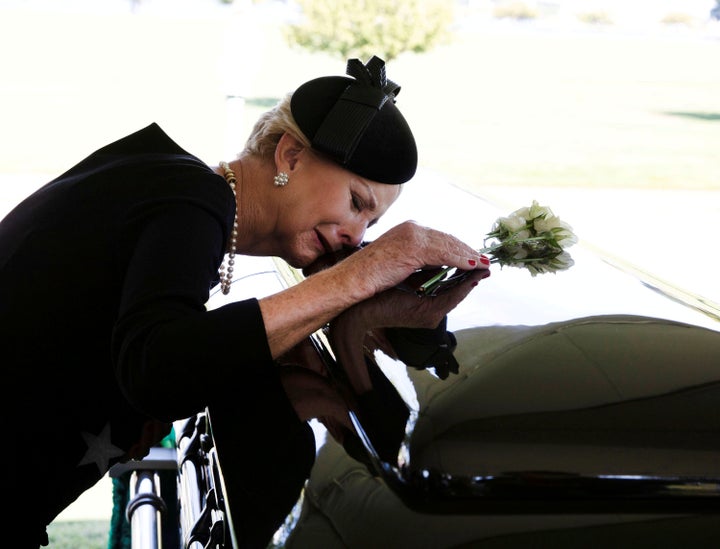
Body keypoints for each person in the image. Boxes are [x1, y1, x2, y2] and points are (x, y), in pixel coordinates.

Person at [0, 55, 490, 548]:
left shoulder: (171, 186)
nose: (355, 237)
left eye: (372, 227)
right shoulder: (193, 199)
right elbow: (158, 370)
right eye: (356, 202)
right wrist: (360, 274)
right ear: (291, 156)